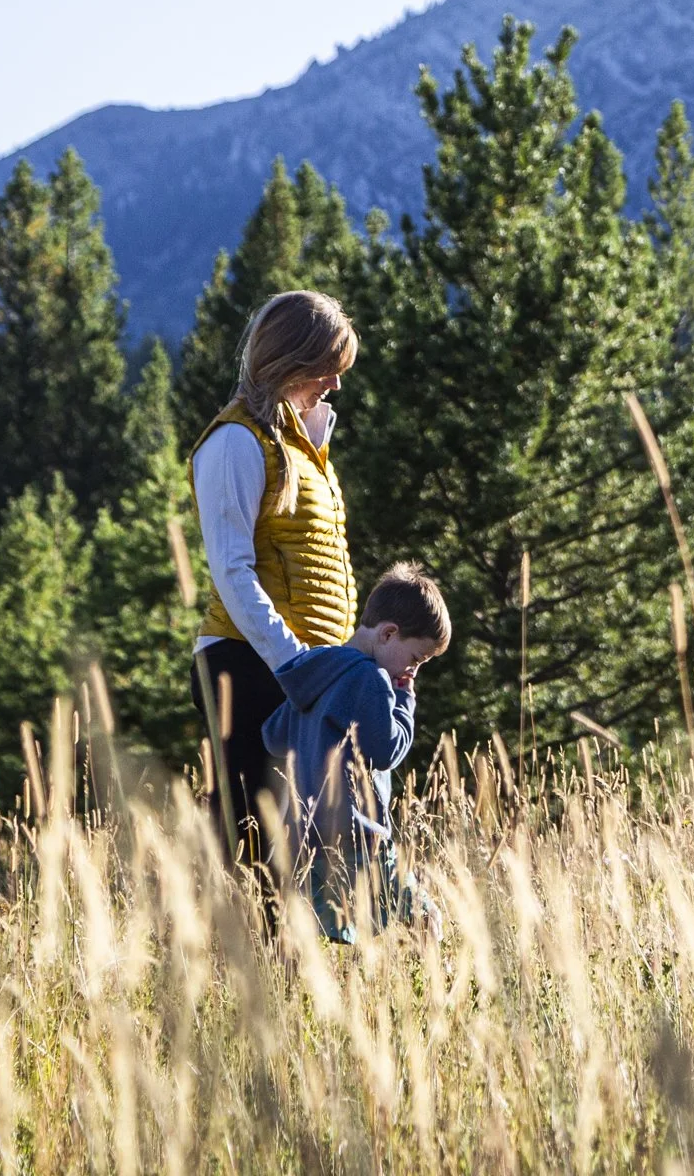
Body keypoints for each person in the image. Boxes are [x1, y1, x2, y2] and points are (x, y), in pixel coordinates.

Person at [188, 289, 361, 866]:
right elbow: (232, 570)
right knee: (251, 844)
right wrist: (292, 661)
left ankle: (286, 956)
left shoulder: (302, 446)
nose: (334, 385)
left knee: (303, 846)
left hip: (302, 671)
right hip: (249, 667)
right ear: (291, 360)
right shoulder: (236, 442)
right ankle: (236, 955)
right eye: (326, 369)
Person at [264, 562, 451, 941]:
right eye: (416, 659)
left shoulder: (317, 671)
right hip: (357, 837)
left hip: (308, 839)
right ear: (388, 634)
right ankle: (436, 998)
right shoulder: (370, 678)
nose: (413, 671)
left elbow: (273, 735)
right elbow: (387, 750)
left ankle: (286, 995)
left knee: (305, 937)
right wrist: (404, 698)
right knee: (426, 920)